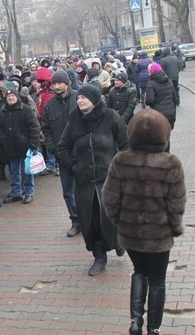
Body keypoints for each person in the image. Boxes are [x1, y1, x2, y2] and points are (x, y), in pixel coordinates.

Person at [102, 109, 187, 335]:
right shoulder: (171, 163)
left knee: (139, 272)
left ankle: (135, 322)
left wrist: (121, 222)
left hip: (131, 233)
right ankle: (154, 329)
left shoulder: (121, 160)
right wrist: (175, 227)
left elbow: (109, 199)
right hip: (159, 234)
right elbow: (176, 203)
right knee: (157, 279)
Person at [56, 84, 129, 277]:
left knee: (112, 216)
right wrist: (74, 166)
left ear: (95, 99)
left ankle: (119, 241)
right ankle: (99, 257)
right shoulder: (74, 120)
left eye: (84, 97)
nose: (79, 100)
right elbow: (62, 148)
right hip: (84, 181)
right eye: (78, 97)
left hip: (109, 179)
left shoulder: (111, 116)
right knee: (91, 222)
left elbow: (126, 144)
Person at [41, 71, 81, 238]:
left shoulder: (79, 99)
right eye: (54, 83)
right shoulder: (50, 105)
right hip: (62, 154)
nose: (56, 86)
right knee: (68, 191)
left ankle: (89, 220)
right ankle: (76, 221)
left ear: (67, 83)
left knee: (86, 189)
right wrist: (52, 148)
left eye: (59, 83)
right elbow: (46, 128)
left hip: (82, 153)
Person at [0, 88, 40, 205]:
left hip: (25, 146)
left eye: (13, 96)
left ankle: (29, 192)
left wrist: (32, 144)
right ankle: (16, 193)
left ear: (17, 97)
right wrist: (3, 138)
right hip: (10, 147)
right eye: (8, 96)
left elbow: (34, 127)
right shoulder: (2, 112)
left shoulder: (26, 110)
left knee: (27, 171)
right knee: (14, 171)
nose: (10, 98)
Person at [146, 63, 177, 133]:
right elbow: (174, 97)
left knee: (159, 135)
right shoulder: (169, 81)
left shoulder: (150, 84)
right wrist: (174, 111)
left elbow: (150, 101)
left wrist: (146, 102)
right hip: (170, 113)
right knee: (167, 134)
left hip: (157, 114)